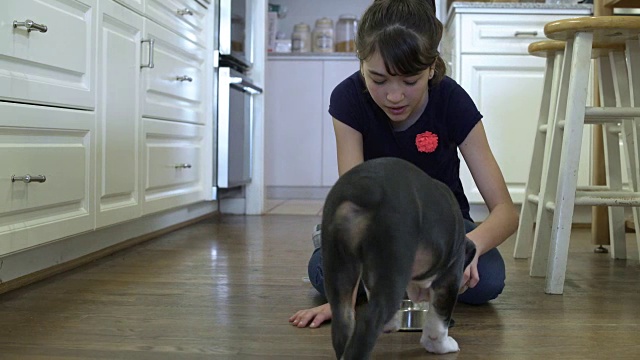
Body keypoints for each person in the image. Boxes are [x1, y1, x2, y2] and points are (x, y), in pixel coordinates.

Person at [289, 0, 518, 329]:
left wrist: (468, 249)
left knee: (489, 281)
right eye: (378, 80)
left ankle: (394, 283)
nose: (394, 96)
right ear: (361, 63)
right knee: (323, 273)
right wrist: (344, 299)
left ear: (431, 68)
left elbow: (506, 213)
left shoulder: (452, 100)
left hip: (442, 231)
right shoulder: (348, 98)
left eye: (409, 81)